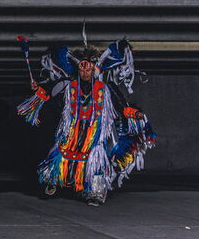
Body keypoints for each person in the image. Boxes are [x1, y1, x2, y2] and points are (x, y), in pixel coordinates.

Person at [17, 39, 156, 206]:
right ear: (78, 69)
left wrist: (135, 114)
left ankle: (95, 193)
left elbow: (121, 106)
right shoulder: (69, 86)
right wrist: (37, 89)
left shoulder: (105, 88)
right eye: (82, 69)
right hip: (72, 129)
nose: (85, 73)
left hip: (94, 131)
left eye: (88, 69)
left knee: (95, 160)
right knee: (62, 153)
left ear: (93, 69)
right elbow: (50, 97)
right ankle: (53, 180)